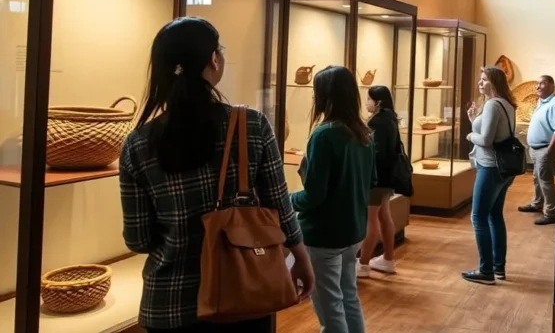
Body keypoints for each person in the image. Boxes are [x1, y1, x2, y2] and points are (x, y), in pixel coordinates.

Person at [119, 17, 314, 333]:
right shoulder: (252, 125)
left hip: (170, 304)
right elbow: (279, 208)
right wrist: (301, 257)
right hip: (244, 294)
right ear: (213, 60)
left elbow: (139, 239)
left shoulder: (137, 144)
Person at [291, 66, 376, 333]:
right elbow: (369, 182)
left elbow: (314, 196)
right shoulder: (363, 134)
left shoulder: (324, 134)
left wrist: (285, 200)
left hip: (324, 234)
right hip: (353, 229)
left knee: (330, 308)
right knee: (348, 297)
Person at [461, 66, 517, 285]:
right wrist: (474, 119)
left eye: (484, 79)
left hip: (491, 167)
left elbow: (485, 140)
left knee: (478, 217)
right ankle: (498, 267)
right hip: (502, 168)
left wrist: (469, 133)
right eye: (480, 79)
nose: (480, 83)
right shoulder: (506, 104)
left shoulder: (493, 104)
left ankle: (485, 270)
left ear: (495, 81)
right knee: (494, 216)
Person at [358, 85, 400, 277]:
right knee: (384, 215)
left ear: (378, 102)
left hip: (377, 177)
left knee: (371, 218)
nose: (366, 102)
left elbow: (375, 151)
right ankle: (388, 259)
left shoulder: (378, 121)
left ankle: (364, 264)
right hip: (387, 176)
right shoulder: (390, 118)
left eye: (368, 98)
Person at [518, 75, 555, 225]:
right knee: (537, 178)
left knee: (546, 181)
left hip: (546, 148)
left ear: (552, 86)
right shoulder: (542, 101)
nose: (538, 86)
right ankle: (537, 203)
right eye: (537, 84)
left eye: (542, 83)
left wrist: (549, 150)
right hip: (537, 148)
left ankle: (551, 212)